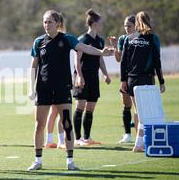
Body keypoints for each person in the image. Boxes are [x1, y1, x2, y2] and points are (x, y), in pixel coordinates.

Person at [28, 10, 114, 171]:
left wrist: (101, 52)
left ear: (57, 23)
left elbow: (84, 48)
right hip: (43, 89)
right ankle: (37, 161)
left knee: (67, 124)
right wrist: (31, 89)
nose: (47, 25)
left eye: (50, 22)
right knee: (39, 125)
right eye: (45, 22)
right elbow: (33, 67)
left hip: (62, 89)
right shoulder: (38, 42)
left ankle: (70, 162)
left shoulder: (67, 39)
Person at [120, 11, 165, 152]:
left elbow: (123, 62)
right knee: (144, 112)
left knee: (139, 111)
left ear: (137, 23)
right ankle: (140, 143)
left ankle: (142, 141)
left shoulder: (129, 38)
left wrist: (123, 80)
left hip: (131, 79)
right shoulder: (153, 39)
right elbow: (157, 62)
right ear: (149, 21)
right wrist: (162, 81)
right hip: (146, 79)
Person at [73, 9, 111, 146]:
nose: (102, 25)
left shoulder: (100, 40)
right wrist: (79, 76)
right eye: (100, 22)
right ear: (94, 23)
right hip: (82, 76)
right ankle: (77, 139)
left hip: (94, 77)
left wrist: (105, 74)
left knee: (91, 108)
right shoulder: (82, 39)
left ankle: (87, 138)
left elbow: (100, 59)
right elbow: (76, 60)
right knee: (80, 106)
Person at [111, 15, 138, 144]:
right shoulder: (122, 38)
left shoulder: (141, 38)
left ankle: (141, 135)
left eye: (129, 26)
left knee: (139, 108)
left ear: (136, 26)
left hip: (139, 77)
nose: (127, 28)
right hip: (126, 78)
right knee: (126, 105)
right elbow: (118, 59)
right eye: (125, 26)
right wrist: (115, 46)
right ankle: (127, 134)